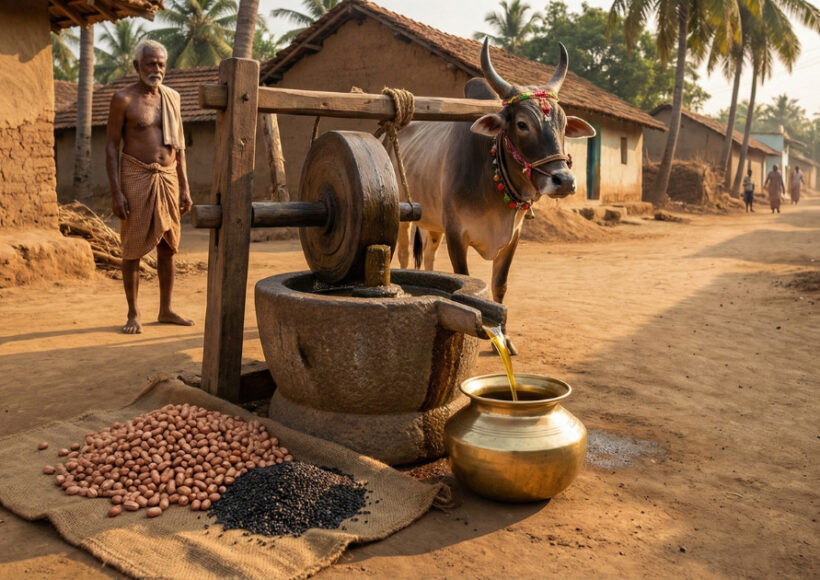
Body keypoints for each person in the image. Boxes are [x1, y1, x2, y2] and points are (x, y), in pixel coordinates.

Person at [105, 39, 194, 334]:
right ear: (137, 66)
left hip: (168, 177)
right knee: (132, 249)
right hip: (136, 176)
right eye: (150, 63)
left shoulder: (172, 98)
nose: (157, 69)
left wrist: (185, 187)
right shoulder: (123, 99)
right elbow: (111, 146)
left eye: (161, 64)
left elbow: (179, 147)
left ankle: (166, 309)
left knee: (168, 247)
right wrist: (116, 192)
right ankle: (133, 313)